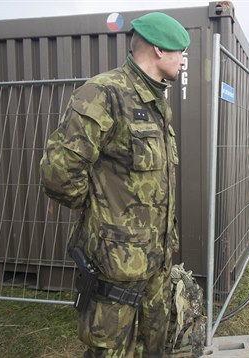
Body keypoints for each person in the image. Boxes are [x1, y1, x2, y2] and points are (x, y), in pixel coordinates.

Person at [39, 12, 190, 357]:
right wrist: (100, 212)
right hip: (116, 264)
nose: (183, 59)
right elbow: (59, 173)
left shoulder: (155, 102)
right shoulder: (104, 93)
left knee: (153, 348)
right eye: (180, 51)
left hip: (155, 260)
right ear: (157, 49)